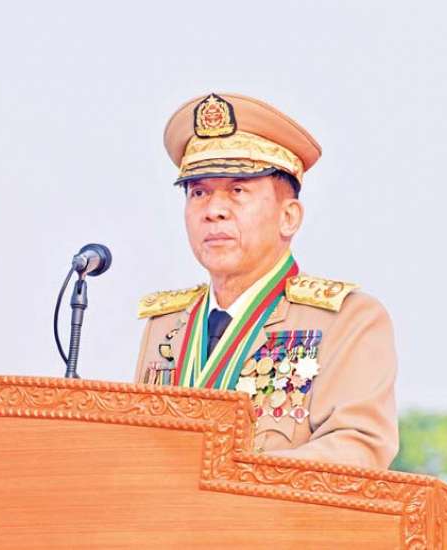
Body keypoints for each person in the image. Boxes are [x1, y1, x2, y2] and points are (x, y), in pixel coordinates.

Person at [134, 92, 398, 469]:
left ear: (289, 217)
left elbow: (358, 450)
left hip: (272, 509)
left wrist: (229, 479)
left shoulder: (347, 320)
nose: (214, 210)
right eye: (199, 193)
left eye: (237, 191)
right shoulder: (165, 324)